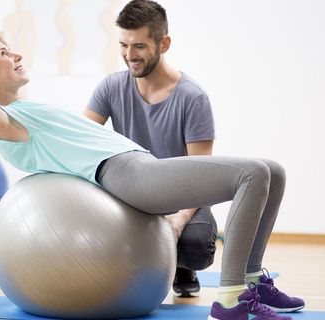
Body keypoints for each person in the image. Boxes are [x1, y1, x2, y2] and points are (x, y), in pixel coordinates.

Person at [0, 32, 305, 320]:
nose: (16, 55)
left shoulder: (25, 109)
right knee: (252, 174)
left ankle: (256, 281)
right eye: (3, 53)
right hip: (128, 175)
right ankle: (231, 299)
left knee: (273, 171)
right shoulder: (6, 123)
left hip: (140, 166)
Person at [85, 0, 217, 297]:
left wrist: (180, 221)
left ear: (164, 43)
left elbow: (202, 174)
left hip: (182, 194)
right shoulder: (111, 87)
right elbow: (83, 139)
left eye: (140, 46)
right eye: (123, 45)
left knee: (196, 248)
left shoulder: (193, 98)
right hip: (132, 195)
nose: (129, 55)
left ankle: (182, 266)